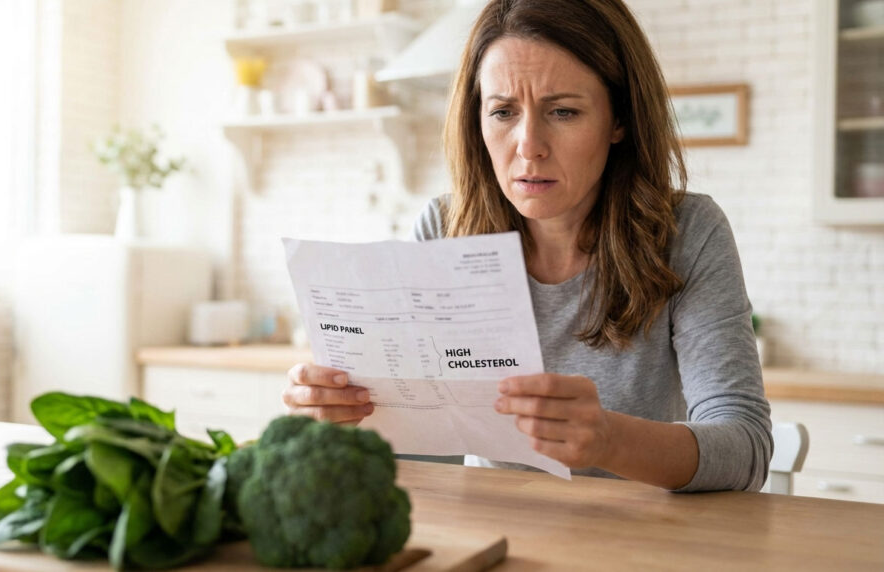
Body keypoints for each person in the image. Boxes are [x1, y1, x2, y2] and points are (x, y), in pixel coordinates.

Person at [282, 0, 772, 492]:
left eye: (563, 111)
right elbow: (403, 426)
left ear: (618, 120)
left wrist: (608, 440)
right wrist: (336, 405)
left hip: (641, 539)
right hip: (498, 530)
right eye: (502, 112)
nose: (529, 145)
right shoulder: (443, 228)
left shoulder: (688, 231)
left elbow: (745, 447)